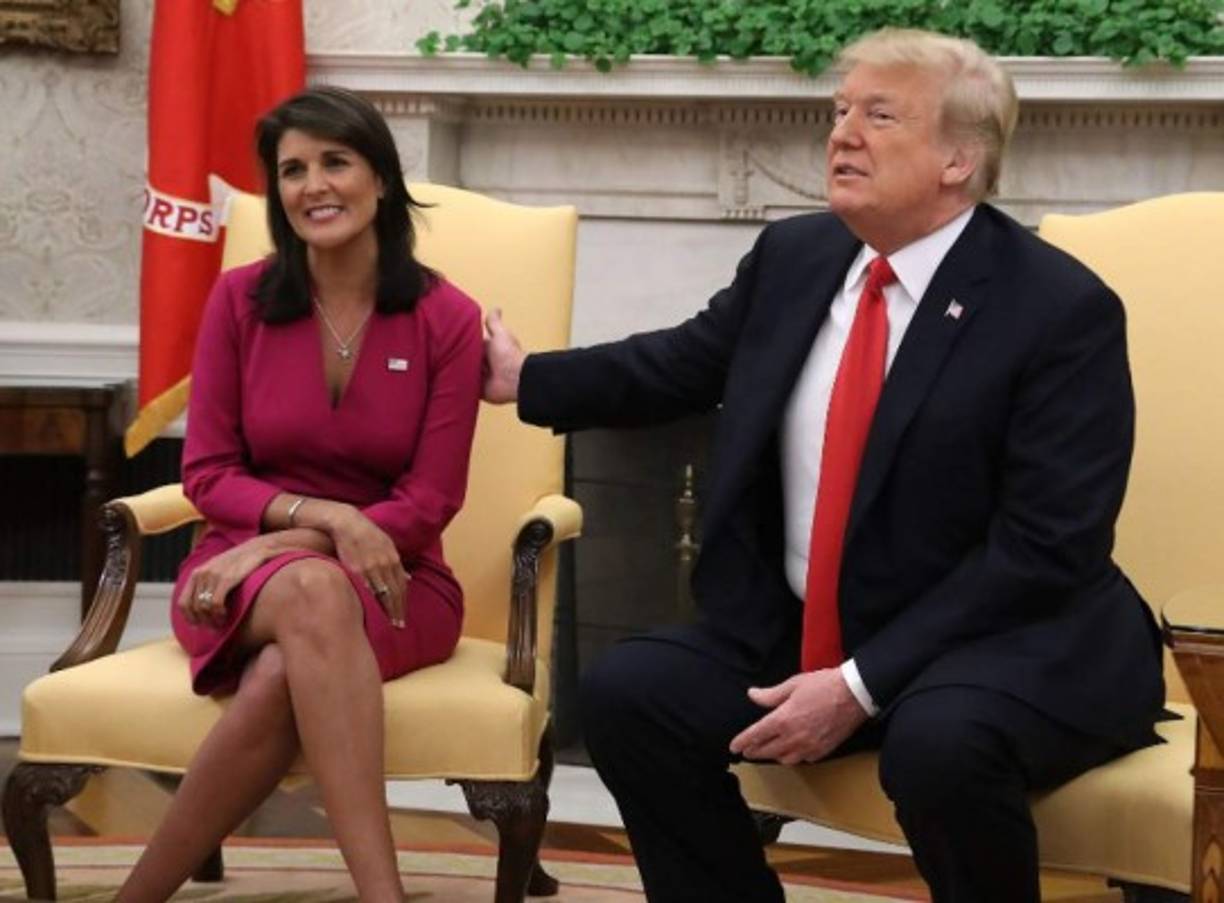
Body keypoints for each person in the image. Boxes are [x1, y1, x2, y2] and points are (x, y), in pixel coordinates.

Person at [483, 28, 1165, 903]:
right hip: (810, 626)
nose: (842, 133)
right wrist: (523, 377)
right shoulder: (797, 259)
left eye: (879, 116)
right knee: (632, 692)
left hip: (1002, 641)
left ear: (960, 158)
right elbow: (684, 362)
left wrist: (857, 686)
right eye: (840, 111)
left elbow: (1045, 546)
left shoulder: (1058, 309)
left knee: (939, 744)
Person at [117, 86, 483, 903]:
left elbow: (428, 502)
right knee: (313, 594)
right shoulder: (238, 301)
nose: (313, 184)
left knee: (294, 651)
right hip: (232, 573)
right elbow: (208, 474)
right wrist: (323, 520)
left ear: (380, 178)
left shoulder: (447, 318)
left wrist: (288, 542)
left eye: (335, 162)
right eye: (292, 170)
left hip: (400, 576)